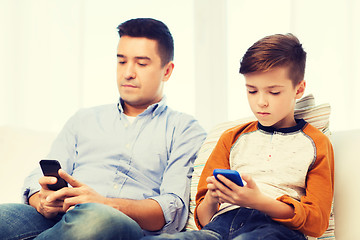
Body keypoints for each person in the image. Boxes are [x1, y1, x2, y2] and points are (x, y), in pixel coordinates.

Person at [0, 18, 206, 240]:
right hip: (60, 218)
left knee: (98, 219)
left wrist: (105, 204)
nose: (128, 73)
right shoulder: (84, 119)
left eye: (141, 63)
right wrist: (41, 199)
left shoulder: (185, 129)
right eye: (121, 61)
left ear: (167, 71)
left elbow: (172, 208)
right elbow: (39, 176)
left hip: (118, 224)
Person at [142, 34, 334, 240]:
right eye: (252, 91)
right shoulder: (231, 138)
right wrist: (212, 199)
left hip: (275, 230)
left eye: (274, 92)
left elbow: (317, 221)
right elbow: (204, 218)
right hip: (219, 227)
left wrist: (258, 201)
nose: (261, 102)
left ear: (299, 89)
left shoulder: (316, 143)